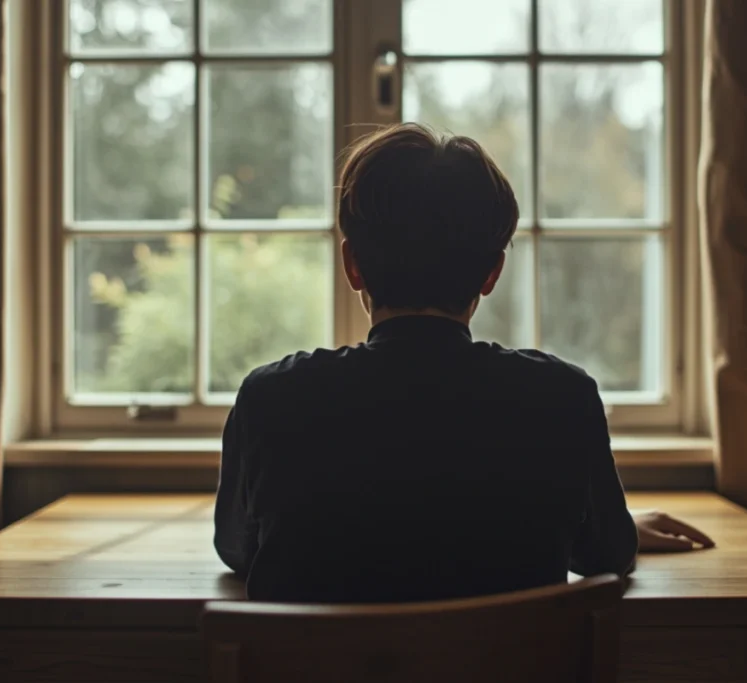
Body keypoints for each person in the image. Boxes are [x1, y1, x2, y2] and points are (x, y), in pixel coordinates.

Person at [215, 123, 713, 603]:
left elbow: (239, 550)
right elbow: (606, 554)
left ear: (352, 266)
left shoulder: (271, 398)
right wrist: (619, 526)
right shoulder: (562, 397)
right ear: (492, 272)